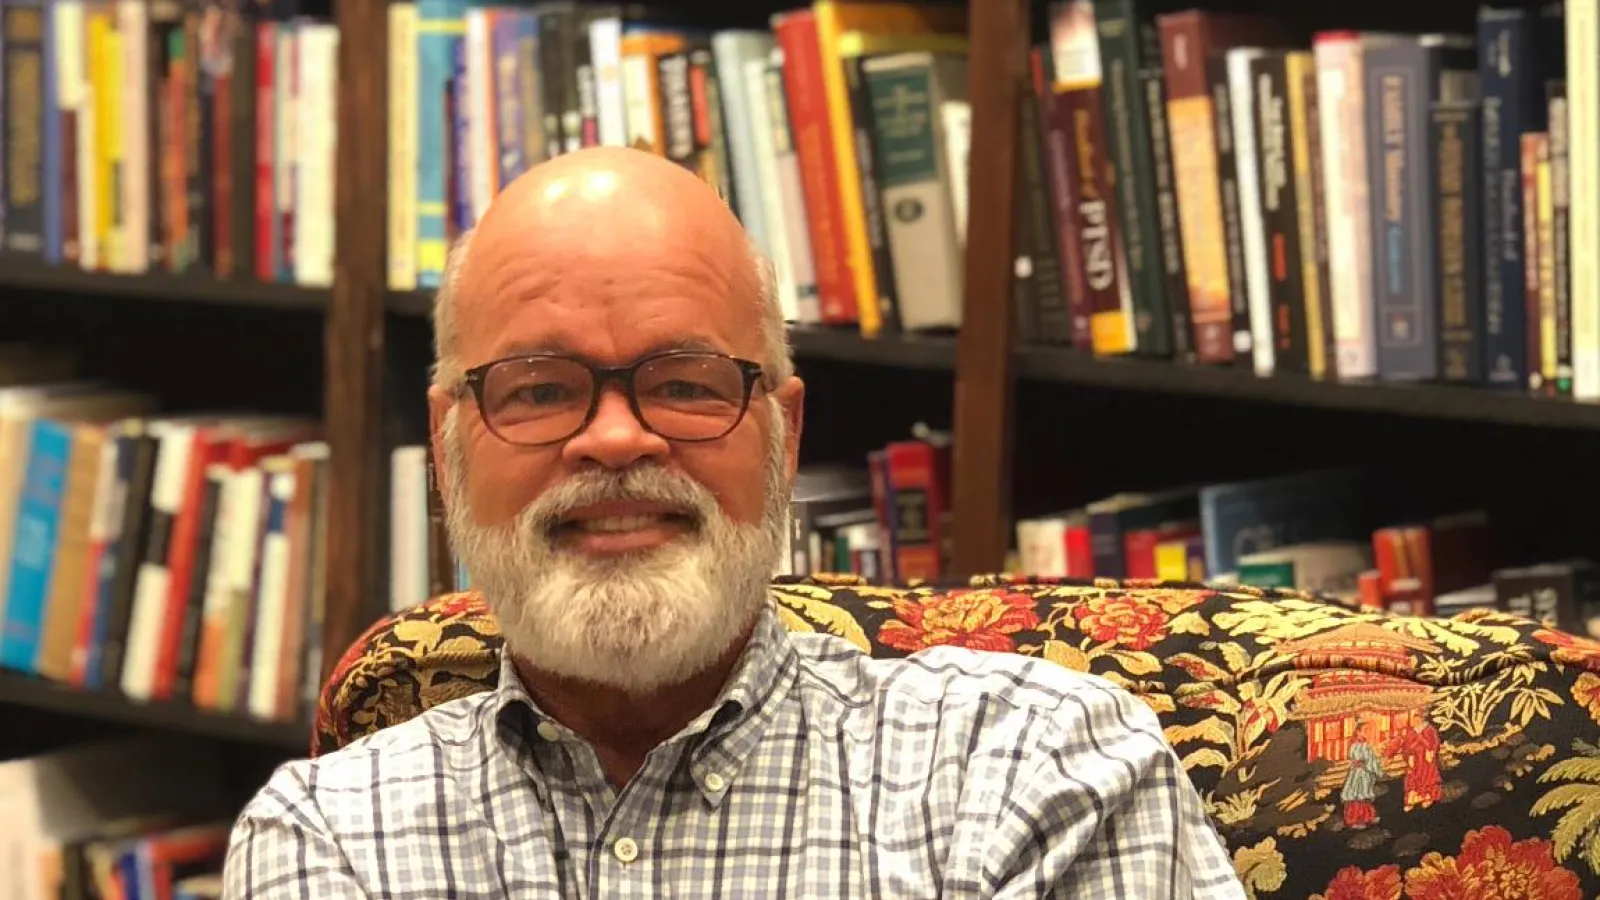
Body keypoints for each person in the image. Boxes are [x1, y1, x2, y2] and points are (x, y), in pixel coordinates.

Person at [221, 146, 1246, 898]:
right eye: (537, 390)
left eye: (684, 382)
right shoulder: (329, 840)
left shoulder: (1038, 770)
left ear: (782, 435)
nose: (616, 441)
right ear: (449, 450)